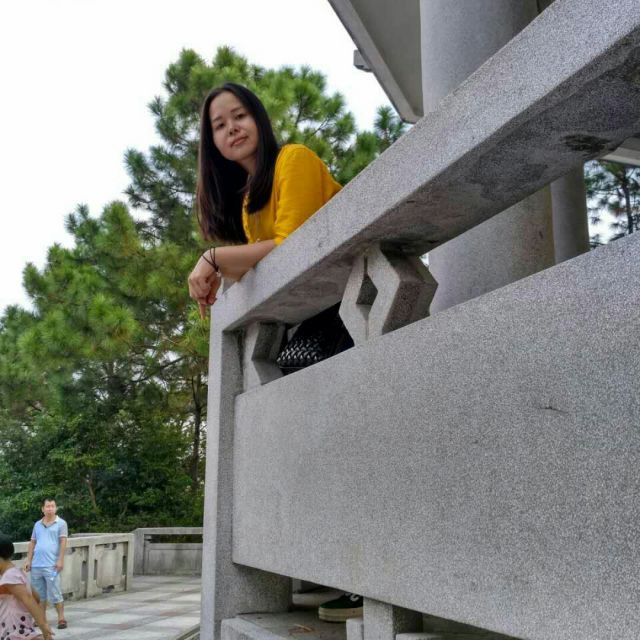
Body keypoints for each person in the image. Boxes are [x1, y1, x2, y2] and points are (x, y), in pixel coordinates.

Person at [187, 83, 362, 622]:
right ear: (212, 143)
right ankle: (345, 573)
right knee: (314, 450)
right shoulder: (248, 202)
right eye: (219, 125)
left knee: (347, 446)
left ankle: (363, 579)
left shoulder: (294, 160)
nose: (232, 129)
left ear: (259, 119)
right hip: (316, 326)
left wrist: (215, 259)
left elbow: (295, 248)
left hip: (353, 311)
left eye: (239, 115)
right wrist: (224, 271)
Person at [24, 499, 67, 630]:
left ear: (56, 508)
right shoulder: (37, 524)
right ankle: (41, 619)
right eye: (47, 506)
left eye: (52, 506)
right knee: (39, 595)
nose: (50, 508)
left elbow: (63, 542)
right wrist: (28, 560)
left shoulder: (61, 523)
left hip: (52, 565)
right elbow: (33, 542)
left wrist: (60, 560)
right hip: (36, 565)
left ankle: (61, 618)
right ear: (42, 509)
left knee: (55, 592)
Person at [0, 533, 53, 640]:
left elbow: (28, 599)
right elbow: (36, 597)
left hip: (14, 628)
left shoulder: (9, 577)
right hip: (19, 627)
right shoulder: (17, 573)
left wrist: (43, 626)